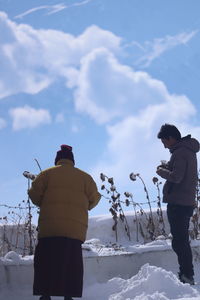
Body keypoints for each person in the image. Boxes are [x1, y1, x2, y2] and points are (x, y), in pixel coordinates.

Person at [28, 145, 101, 300]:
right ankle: (68, 296)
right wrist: (82, 206)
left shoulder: (46, 174)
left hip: (50, 229)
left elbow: (34, 195)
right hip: (74, 230)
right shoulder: (85, 178)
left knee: (46, 263)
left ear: (58, 160)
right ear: (72, 160)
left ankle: (45, 295)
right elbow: (94, 199)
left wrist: (45, 202)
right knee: (71, 265)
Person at [156, 124, 199, 285]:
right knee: (181, 240)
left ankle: (187, 275)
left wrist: (161, 171)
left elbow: (177, 177)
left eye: (164, 142)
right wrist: (168, 166)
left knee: (180, 242)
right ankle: (186, 274)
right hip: (186, 201)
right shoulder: (187, 150)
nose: (164, 145)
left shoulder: (180, 153)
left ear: (171, 138)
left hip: (178, 203)